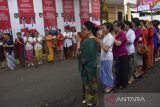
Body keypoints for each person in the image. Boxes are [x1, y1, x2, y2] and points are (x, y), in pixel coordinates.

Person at [77, 21, 98, 106]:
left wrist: (78, 43)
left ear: (89, 30)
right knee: (91, 84)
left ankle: (90, 101)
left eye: (84, 29)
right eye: (82, 29)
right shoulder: (94, 39)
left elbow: (80, 55)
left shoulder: (87, 42)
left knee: (88, 84)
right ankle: (89, 99)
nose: (82, 31)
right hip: (92, 65)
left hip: (88, 66)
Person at [96, 22, 114, 93]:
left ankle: (111, 86)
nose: (102, 29)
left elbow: (106, 49)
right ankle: (108, 85)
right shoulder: (105, 36)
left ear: (108, 29)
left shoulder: (110, 37)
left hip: (107, 57)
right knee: (105, 72)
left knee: (108, 72)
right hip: (104, 57)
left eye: (103, 28)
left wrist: (100, 42)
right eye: (102, 28)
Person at [113, 20, 129, 89]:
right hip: (117, 54)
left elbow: (118, 43)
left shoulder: (122, 33)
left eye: (115, 26)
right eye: (113, 25)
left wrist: (113, 37)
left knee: (123, 70)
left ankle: (123, 83)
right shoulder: (117, 33)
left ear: (119, 26)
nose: (113, 27)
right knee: (118, 70)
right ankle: (118, 82)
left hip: (122, 54)